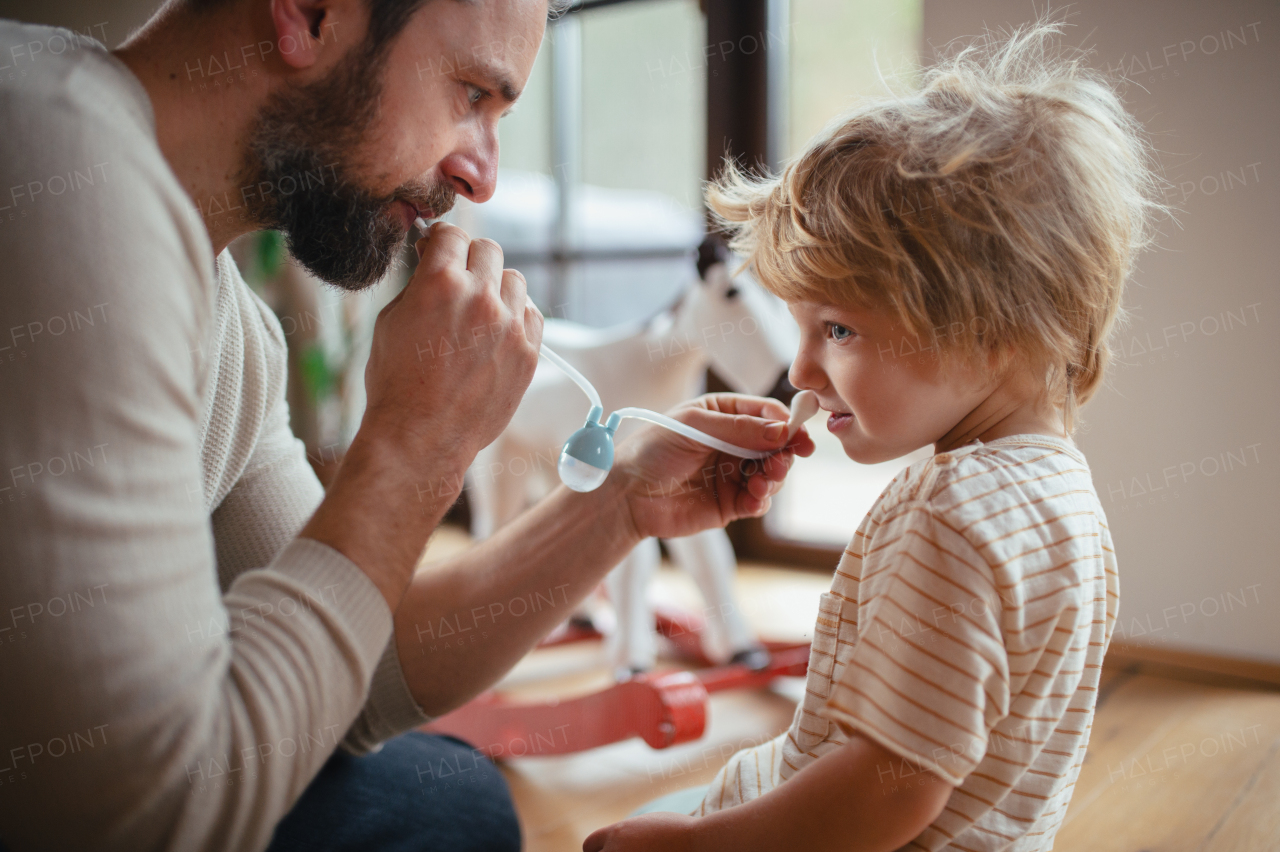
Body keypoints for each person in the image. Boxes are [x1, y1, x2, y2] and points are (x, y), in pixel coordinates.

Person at [0, 0, 813, 850]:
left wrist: (621, 504)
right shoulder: (58, 162)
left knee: (453, 798)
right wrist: (415, 443)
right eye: (471, 95)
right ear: (311, 15)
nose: (482, 177)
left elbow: (355, 675)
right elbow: (142, 816)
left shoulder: (235, 330)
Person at [585, 21, 1164, 852]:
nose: (803, 371)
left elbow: (880, 798)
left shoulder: (952, 515)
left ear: (990, 328)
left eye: (839, 330)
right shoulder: (1065, 494)